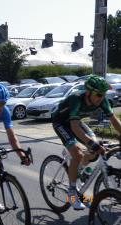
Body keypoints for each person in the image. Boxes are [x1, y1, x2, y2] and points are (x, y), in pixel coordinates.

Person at [52, 75, 121, 210]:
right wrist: (92, 145)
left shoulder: (102, 101)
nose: (101, 98)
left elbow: (114, 120)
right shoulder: (76, 99)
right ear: (88, 92)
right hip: (61, 123)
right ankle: (72, 192)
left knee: (94, 148)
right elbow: (74, 128)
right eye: (98, 94)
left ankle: (80, 171)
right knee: (78, 153)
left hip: (77, 122)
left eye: (103, 95)